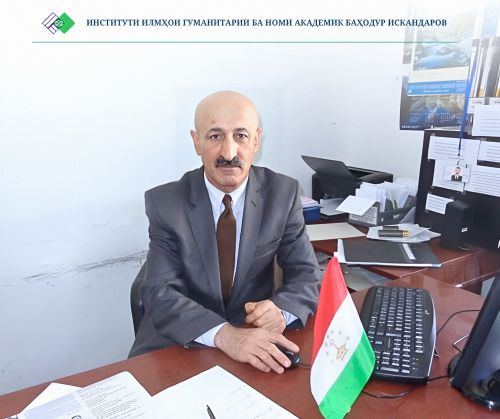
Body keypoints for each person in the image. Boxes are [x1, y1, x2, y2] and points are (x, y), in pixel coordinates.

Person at [129, 91, 321, 374]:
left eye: (241, 136)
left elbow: (307, 275)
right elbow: (159, 292)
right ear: (197, 142)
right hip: (180, 339)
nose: (229, 153)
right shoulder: (166, 203)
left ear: (256, 140)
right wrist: (224, 335)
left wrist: (280, 312)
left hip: (252, 335)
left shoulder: (283, 194)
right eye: (215, 136)